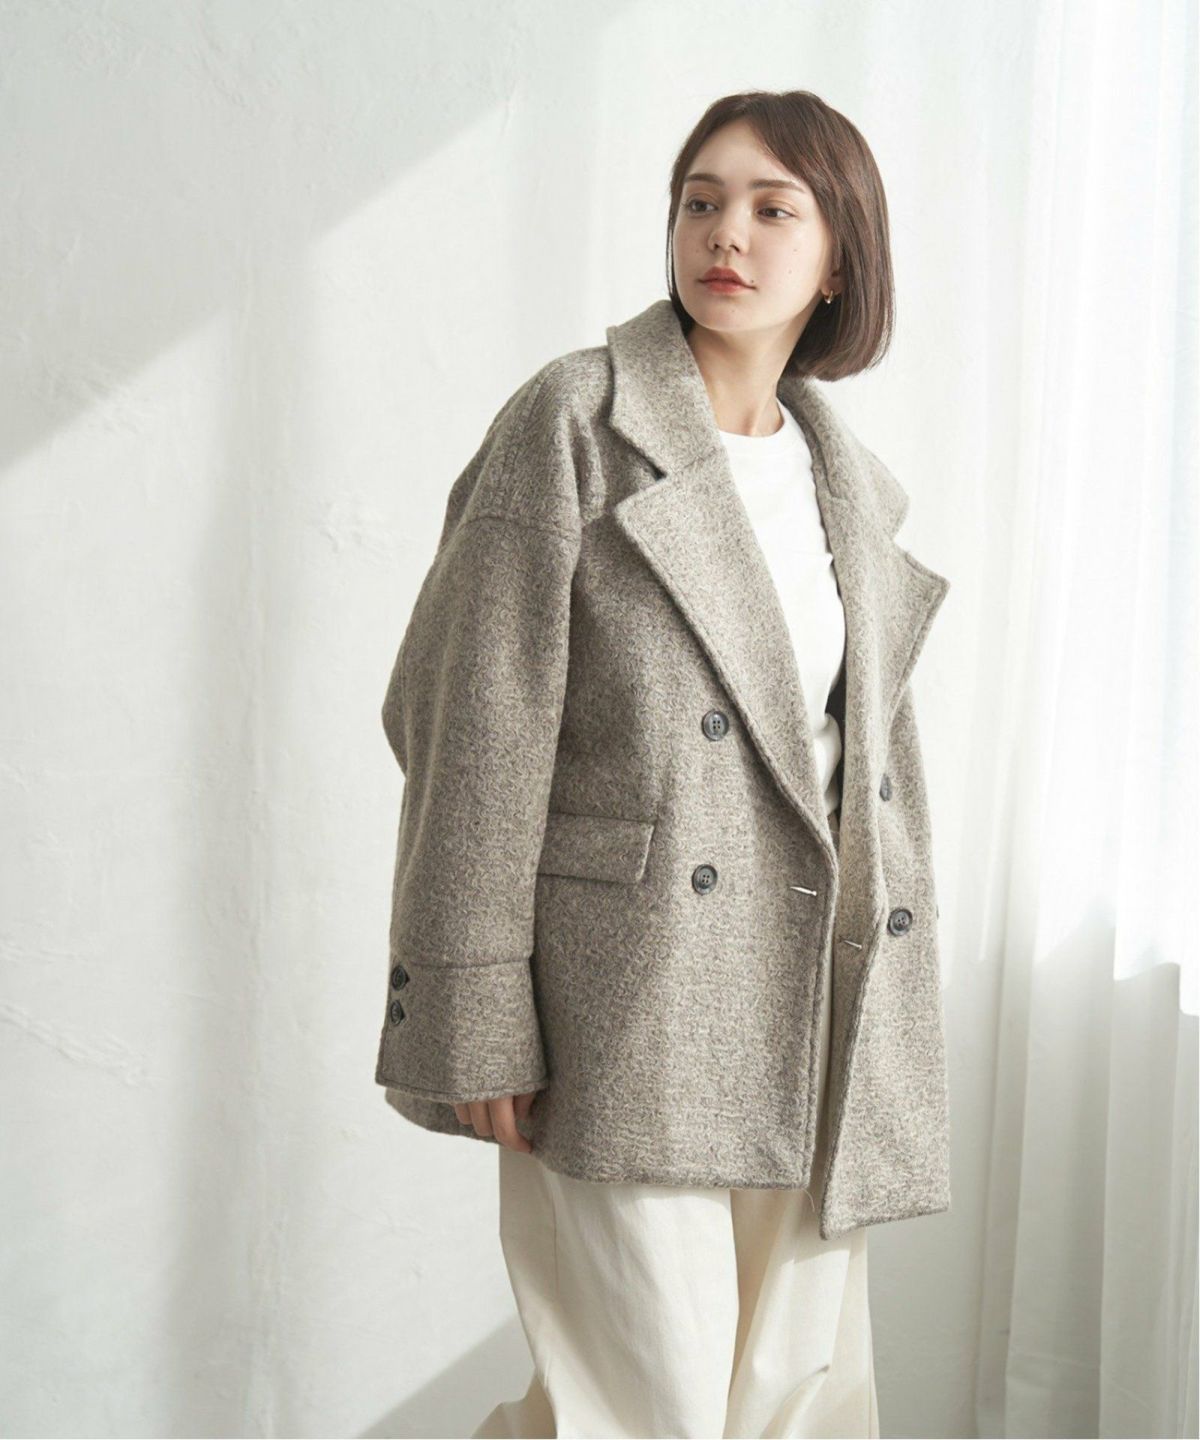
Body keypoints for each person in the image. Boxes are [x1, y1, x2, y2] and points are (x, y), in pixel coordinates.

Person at [375, 88, 953, 1439]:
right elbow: (466, 724)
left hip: (816, 1005)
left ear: (840, 256)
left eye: (771, 208)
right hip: (625, 1000)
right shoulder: (575, 421)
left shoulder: (848, 483)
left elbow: (851, 776)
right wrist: (476, 1003)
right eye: (700, 200)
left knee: (798, 1403)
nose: (724, 233)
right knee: (640, 1408)